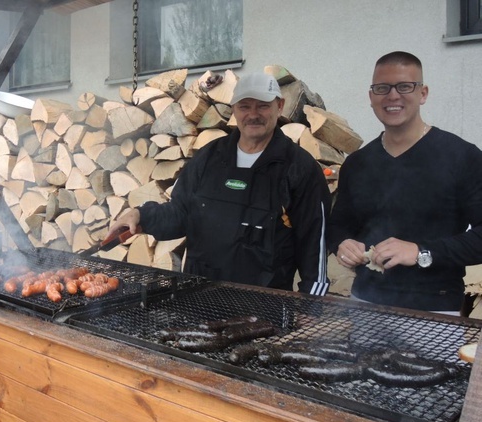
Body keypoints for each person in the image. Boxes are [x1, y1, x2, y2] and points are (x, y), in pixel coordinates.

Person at [107, 72, 331, 295]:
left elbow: (315, 244)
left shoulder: (299, 168)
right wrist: (141, 215)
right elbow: (180, 213)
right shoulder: (209, 158)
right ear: (233, 108)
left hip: (262, 309)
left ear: (279, 106)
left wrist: (312, 305)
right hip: (198, 299)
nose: (253, 115)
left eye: (262, 106)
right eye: (244, 106)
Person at [328, 51, 482, 314]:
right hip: (365, 305)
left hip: (435, 311)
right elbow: (339, 226)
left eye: (405, 86)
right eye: (382, 88)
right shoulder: (357, 163)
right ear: (371, 96)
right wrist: (342, 243)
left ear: (423, 93)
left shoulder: (463, 157)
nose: (392, 96)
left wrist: (421, 252)